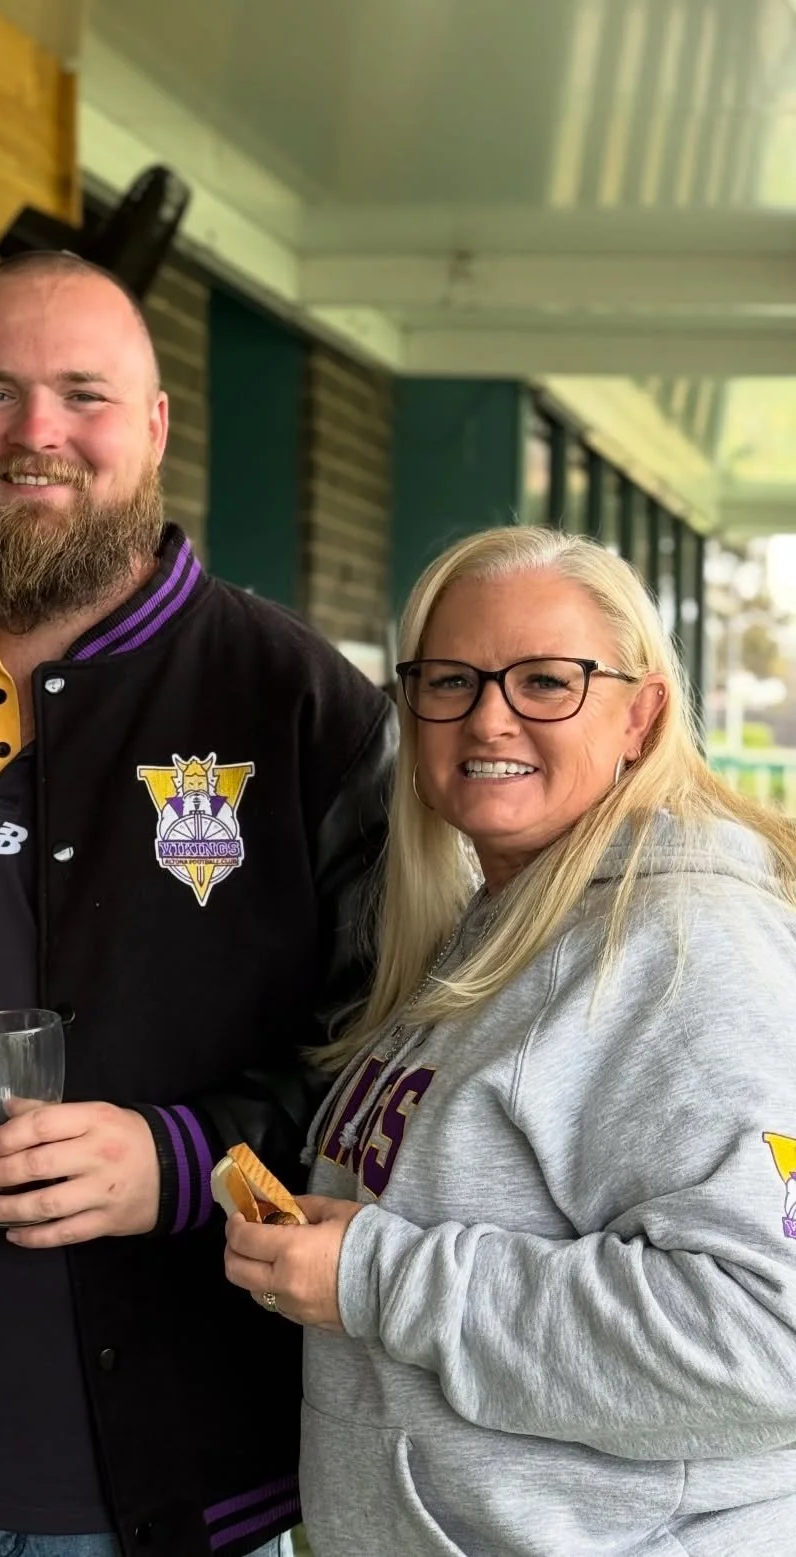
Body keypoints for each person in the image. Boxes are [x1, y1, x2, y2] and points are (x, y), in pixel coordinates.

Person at [0, 250, 397, 1557]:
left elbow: (398, 1062)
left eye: (85, 394)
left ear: (158, 426)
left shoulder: (302, 709)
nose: (37, 436)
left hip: (180, 1486)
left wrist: (185, 1161)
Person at [224, 526, 796, 1554]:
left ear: (642, 714)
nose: (489, 715)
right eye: (451, 679)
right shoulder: (504, 921)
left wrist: (380, 1279)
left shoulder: (683, 950)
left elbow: (771, 1335)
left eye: (546, 681)